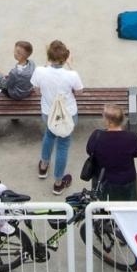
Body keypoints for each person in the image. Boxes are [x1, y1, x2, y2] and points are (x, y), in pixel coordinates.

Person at [32, 39, 84, 193]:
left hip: (48, 113)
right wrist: (71, 67)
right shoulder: (72, 75)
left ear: (48, 56)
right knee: (63, 146)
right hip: (68, 115)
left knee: (49, 135)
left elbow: (36, 91)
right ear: (65, 57)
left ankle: (43, 166)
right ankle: (58, 182)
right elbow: (79, 92)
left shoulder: (40, 71)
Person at [84, 103, 137, 200]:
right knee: (125, 210)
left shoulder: (97, 136)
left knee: (101, 210)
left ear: (109, 121)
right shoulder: (132, 137)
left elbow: (89, 151)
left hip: (102, 180)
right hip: (125, 181)